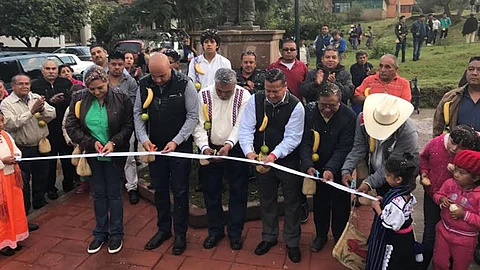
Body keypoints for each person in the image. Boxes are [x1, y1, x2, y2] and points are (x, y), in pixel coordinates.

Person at [239, 68, 305, 263]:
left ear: (285, 87)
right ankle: (269, 237)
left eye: (275, 91)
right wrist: (249, 152)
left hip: (287, 160)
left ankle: (292, 241)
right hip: (262, 159)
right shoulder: (255, 100)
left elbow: (293, 138)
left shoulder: (296, 106)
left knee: (292, 202)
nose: (271, 95)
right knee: (267, 199)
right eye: (268, 90)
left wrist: (275, 155)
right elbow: (246, 128)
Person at [66, 66, 134, 254]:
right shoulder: (79, 98)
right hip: (92, 154)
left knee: (114, 193)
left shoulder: (122, 98)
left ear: (107, 82)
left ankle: (116, 234)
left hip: (115, 153)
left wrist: (113, 142)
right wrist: (91, 143)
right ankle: (100, 233)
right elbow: (71, 126)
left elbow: (129, 126)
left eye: (100, 88)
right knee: (98, 194)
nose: (96, 92)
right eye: (92, 89)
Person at [135, 53, 198, 255]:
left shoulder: (184, 83)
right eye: (154, 76)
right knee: (160, 189)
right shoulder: (144, 84)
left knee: (179, 191)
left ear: (171, 67)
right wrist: (143, 138)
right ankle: (163, 229)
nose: (158, 80)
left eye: (162, 75)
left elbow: (193, 116)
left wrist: (176, 141)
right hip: (154, 145)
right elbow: (138, 113)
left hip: (179, 146)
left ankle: (180, 233)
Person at [192, 68, 251, 250]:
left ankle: (235, 232)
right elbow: (198, 125)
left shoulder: (244, 95)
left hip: (235, 148)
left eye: (228, 91)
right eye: (220, 91)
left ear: (235, 85)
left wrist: (228, 145)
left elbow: (242, 125)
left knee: (238, 190)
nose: (224, 94)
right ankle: (215, 231)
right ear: (215, 85)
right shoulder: (204, 95)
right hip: (210, 147)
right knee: (211, 191)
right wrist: (204, 147)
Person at [300, 83, 356, 252]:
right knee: (320, 203)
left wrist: (331, 168)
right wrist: (308, 165)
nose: (326, 109)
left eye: (332, 105)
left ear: (340, 102)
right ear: (317, 101)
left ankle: (339, 237)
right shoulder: (309, 111)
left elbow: (344, 147)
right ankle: (321, 235)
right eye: (323, 105)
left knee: (341, 205)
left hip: (339, 168)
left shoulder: (349, 116)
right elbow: (304, 141)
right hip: (316, 167)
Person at [1, 74, 56, 231]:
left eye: (27, 84)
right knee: (23, 182)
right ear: (13, 86)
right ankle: (23, 216)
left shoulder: (36, 97)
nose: (25, 86)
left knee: (41, 175)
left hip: (41, 145)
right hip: (22, 148)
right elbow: (11, 124)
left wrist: (43, 108)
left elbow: (52, 115)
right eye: (21, 84)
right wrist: (31, 112)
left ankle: (39, 202)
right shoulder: (6, 104)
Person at [419, 125, 479, 269]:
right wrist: (424, 173)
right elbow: (423, 157)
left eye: (461, 147)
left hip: (464, 235)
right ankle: (423, 263)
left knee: (458, 261)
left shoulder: (472, 162)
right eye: (453, 142)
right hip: (434, 196)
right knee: (430, 236)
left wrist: (464, 215)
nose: (454, 149)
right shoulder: (436, 143)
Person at [341, 94, 419, 197]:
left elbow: (394, 163)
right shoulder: (362, 119)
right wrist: (347, 169)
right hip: (378, 169)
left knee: (395, 209)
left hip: (399, 176)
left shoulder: (408, 132)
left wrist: (369, 183)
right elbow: (359, 148)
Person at [31, 60, 75, 199]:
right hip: (46, 127)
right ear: (42, 70)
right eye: (48, 69)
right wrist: (50, 101)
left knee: (67, 157)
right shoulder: (36, 85)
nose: (51, 71)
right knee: (49, 160)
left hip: (64, 125)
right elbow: (34, 104)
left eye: (54, 68)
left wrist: (62, 100)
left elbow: (72, 101)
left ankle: (69, 183)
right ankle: (50, 188)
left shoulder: (65, 83)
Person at [366, 153, 417, 270]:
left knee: (390, 263)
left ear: (398, 179)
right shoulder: (404, 192)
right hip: (406, 237)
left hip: (395, 241)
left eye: (388, 175)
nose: (385, 176)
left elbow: (388, 222)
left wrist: (377, 207)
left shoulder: (398, 201)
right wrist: (384, 201)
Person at [432, 150, 480, 269]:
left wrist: (464, 214)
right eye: (456, 170)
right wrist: (441, 199)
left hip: (466, 239)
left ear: (475, 178)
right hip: (443, 231)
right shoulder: (449, 184)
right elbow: (437, 194)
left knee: (460, 265)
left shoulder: (478, 195)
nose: (456, 174)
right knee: (439, 262)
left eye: (462, 173)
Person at [107, 51, 140, 205]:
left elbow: (134, 105)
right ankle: (110, 185)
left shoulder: (131, 81)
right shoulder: (101, 79)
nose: (117, 67)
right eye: (114, 64)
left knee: (130, 157)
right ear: (108, 64)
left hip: (125, 125)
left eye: (120, 64)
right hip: (105, 125)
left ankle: (132, 187)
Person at [0, 111, 29, 257]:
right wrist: (2, 162)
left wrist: (17, 156)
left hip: (11, 177)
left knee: (14, 208)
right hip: (1, 182)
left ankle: (14, 238)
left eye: (1, 121)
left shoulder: (5, 134)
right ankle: (3, 242)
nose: (0, 125)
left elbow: (15, 148)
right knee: (3, 212)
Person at [433, 56, 480, 136]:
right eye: (471, 69)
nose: (474, 73)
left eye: (479, 70)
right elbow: (438, 129)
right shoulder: (450, 98)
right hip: (456, 148)